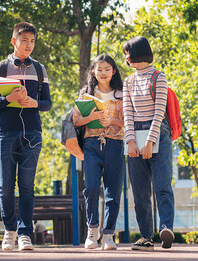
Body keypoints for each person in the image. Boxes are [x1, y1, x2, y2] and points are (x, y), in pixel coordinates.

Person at [0, 22, 52, 251]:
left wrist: (34, 103)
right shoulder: (0, 68)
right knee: (5, 185)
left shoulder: (40, 69)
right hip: (5, 132)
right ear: (14, 41)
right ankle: (10, 231)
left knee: (27, 185)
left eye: (32, 41)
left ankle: (25, 234)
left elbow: (47, 104)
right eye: (25, 41)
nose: (29, 45)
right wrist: (8, 100)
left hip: (33, 133)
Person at [122, 36, 175, 251]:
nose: (125, 58)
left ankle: (165, 229)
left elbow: (159, 112)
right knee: (140, 191)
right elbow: (127, 112)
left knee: (162, 186)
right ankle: (145, 237)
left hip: (158, 134)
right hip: (135, 135)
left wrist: (150, 142)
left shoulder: (158, 77)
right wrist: (131, 141)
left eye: (127, 53)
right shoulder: (129, 81)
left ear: (138, 52)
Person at [73, 54, 125, 250]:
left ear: (113, 71)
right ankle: (92, 231)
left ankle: (108, 235)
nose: (103, 73)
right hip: (91, 145)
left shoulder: (121, 94)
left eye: (107, 69)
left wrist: (112, 121)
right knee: (91, 188)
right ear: (93, 71)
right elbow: (76, 121)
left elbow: (129, 122)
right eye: (99, 69)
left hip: (115, 144)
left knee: (113, 192)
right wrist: (91, 117)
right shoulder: (85, 93)